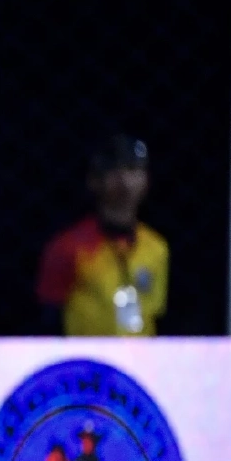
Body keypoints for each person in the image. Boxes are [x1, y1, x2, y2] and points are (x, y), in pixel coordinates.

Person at [36, 135, 169, 336]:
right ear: (94, 181)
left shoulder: (157, 248)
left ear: (146, 180)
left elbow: (156, 314)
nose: (125, 181)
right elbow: (48, 320)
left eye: (133, 170)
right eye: (114, 170)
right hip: (86, 355)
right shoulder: (68, 246)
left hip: (141, 355)